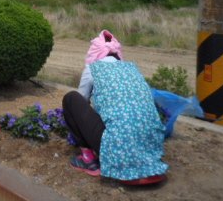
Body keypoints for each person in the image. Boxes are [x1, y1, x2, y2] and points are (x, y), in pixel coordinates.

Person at [62, 30, 168, 183]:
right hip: (150, 149)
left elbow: (82, 100)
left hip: (117, 149)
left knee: (71, 99)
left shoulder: (92, 69)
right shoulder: (132, 69)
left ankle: (88, 159)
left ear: (94, 52)